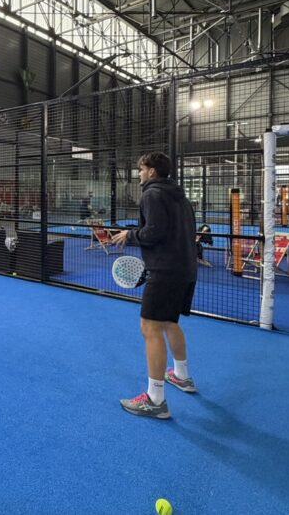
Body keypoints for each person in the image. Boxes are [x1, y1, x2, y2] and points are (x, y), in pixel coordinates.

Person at [111, 152, 198, 419]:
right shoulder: (180, 197)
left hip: (165, 272)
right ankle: (181, 375)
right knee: (170, 322)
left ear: (151, 171)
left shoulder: (151, 194)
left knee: (149, 327)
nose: (139, 173)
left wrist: (129, 234)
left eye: (141, 169)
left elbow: (154, 232)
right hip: (185, 270)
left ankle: (155, 400)